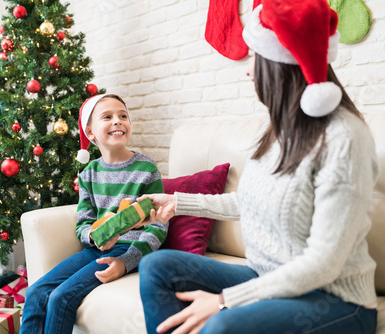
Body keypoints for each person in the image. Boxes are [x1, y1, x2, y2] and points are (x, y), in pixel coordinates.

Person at [138, 1, 379, 333]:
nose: (248, 69)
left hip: (336, 299)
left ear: (278, 65)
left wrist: (226, 300)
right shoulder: (278, 130)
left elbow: (324, 264)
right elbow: (249, 200)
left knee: (222, 325)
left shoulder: (344, 137)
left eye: (254, 57)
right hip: (269, 276)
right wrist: (179, 202)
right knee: (156, 266)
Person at [21, 94, 167, 334]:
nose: (118, 121)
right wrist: (94, 236)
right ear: (90, 132)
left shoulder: (146, 169)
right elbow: (83, 224)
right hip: (95, 249)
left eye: (123, 116)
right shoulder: (89, 173)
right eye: (107, 117)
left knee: (61, 298)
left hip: (128, 249)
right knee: (36, 291)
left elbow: (158, 227)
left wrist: (125, 262)